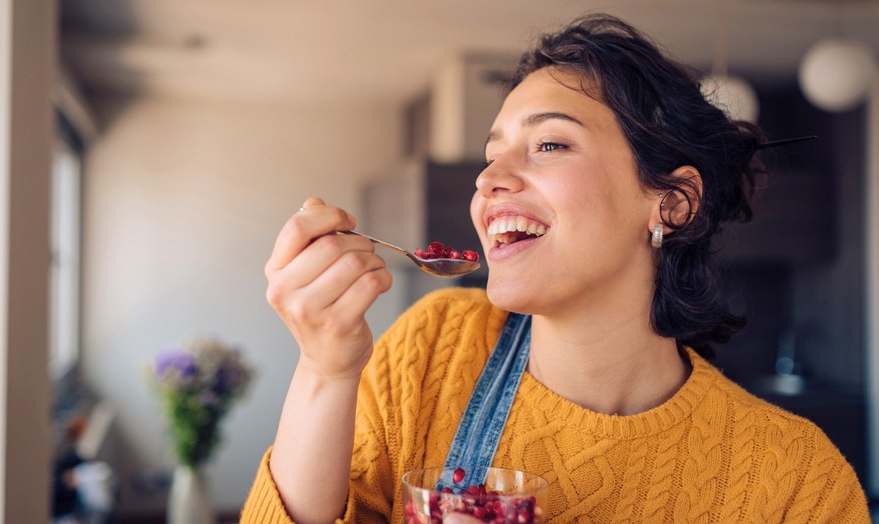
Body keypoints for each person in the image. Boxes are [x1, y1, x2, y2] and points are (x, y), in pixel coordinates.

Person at [241, 14, 870, 524]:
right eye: (492, 156)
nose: (489, 180)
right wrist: (325, 369)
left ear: (671, 202)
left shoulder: (797, 484)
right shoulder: (433, 347)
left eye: (549, 144)